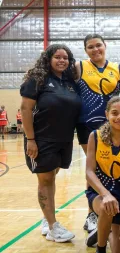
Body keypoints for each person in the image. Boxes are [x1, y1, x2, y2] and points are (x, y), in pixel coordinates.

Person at [20, 44, 81, 242]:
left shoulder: (69, 82)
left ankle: (47, 219)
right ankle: (54, 226)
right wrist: (31, 139)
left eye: (66, 58)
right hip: (41, 139)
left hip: (63, 139)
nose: (62, 60)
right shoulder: (37, 79)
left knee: (51, 177)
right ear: (48, 58)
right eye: (57, 57)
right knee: (45, 180)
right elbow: (26, 109)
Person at [75, 34, 120, 233]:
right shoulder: (78, 67)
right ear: (85, 50)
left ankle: (116, 209)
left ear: (105, 46)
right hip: (87, 125)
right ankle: (92, 214)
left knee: (114, 167)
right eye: (90, 47)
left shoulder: (119, 68)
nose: (95, 50)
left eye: (98, 46)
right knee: (94, 168)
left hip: (113, 126)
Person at [85, 96, 120, 253]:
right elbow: (89, 172)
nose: (119, 117)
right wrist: (106, 194)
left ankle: (104, 231)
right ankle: (100, 249)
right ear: (107, 114)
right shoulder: (95, 137)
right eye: (115, 113)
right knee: (106, 207)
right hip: (99, 196)